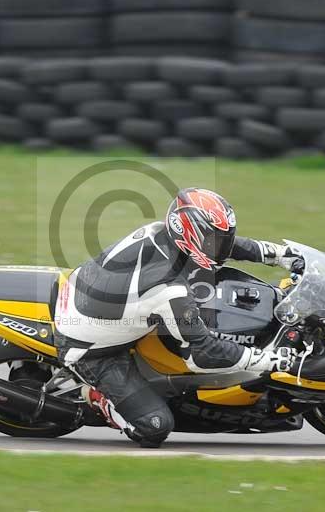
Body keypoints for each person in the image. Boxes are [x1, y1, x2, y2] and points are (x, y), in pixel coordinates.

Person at [53, 188, 301, 448]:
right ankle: (97, 399)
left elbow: (227, 247)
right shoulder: (168, 288)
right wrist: (268, 360)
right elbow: (203, 353)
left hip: (93, 299)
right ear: (189, 235)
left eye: (222, 239)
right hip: (93, 351)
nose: (222, 247)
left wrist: (279, 255)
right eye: (214, 241)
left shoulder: (159, 232)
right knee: (154, 428)